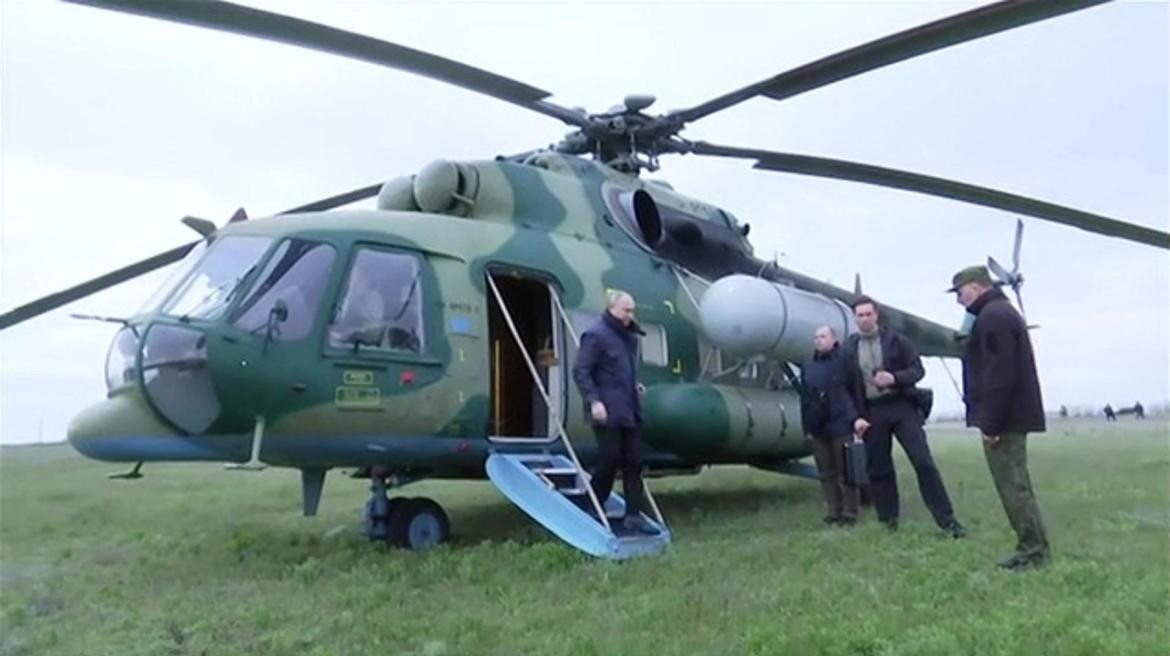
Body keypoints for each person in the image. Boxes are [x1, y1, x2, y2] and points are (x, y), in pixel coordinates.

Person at [949, 265, 1049, 571]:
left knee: (1013, 487)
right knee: (1017, 485)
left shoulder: (993, 317)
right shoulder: (999, 313)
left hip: (1005, 420)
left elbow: (999, 374)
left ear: (977, 286)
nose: (958, 300)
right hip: (1009, 416)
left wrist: (990, 423)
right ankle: (1034, 548)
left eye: (960, 292)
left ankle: (1033, 554)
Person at [843, 295, 965, 537]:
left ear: (876, 315)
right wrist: (855, 417)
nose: (865, 319)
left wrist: (895, 378)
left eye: (868, 314)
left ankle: (947, 520)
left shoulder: (897, 341)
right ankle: (888, 522)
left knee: (923, 462)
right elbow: (844, 387)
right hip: (872, 411)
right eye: (860, 315)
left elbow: (917, 370)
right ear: (854, 318)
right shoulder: (849, 348)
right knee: (879, 469)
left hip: (901, 407)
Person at [573, 290, 657, 535]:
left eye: (632, 310)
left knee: (634, 462)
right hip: (606, 410)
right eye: (626, 310)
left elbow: (621, 370)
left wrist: (635, 385)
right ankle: (593, 504)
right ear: (612, 309)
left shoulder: (628, 337)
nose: (630, 315)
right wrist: (594, 401)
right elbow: (581, 371)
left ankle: (633, 515)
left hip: (629, 408)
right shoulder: (596, 335)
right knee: (610, 459)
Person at [800, 325, 861, 526]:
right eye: (816, 337)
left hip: (841, 423)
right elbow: (805, 398)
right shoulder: (808, 365)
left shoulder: (845, 361)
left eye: (823, 336)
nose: (818, 340)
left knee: (846, 471)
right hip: (818, 427)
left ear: (834, 339)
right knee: (826, 472)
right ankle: (834, 511)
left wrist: (856, 418)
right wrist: (807, 427)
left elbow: (854, 390)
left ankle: (850, 512)